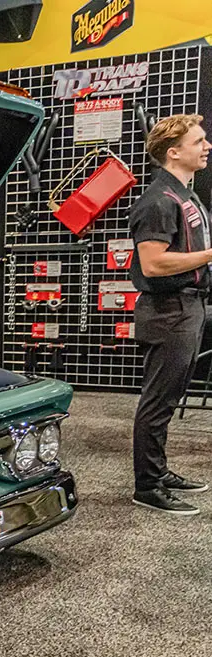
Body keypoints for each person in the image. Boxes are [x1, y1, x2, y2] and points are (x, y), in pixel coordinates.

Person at [130, 113, 212, 516]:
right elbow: (153, 264)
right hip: (168, 311)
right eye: (199, 141)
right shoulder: (159, 201)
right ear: (173, 152)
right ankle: (147, 486)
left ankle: (158, 472)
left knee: (169, 397)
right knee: (158, 401)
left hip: (187, 306)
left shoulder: (184, 195)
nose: (207, 146)